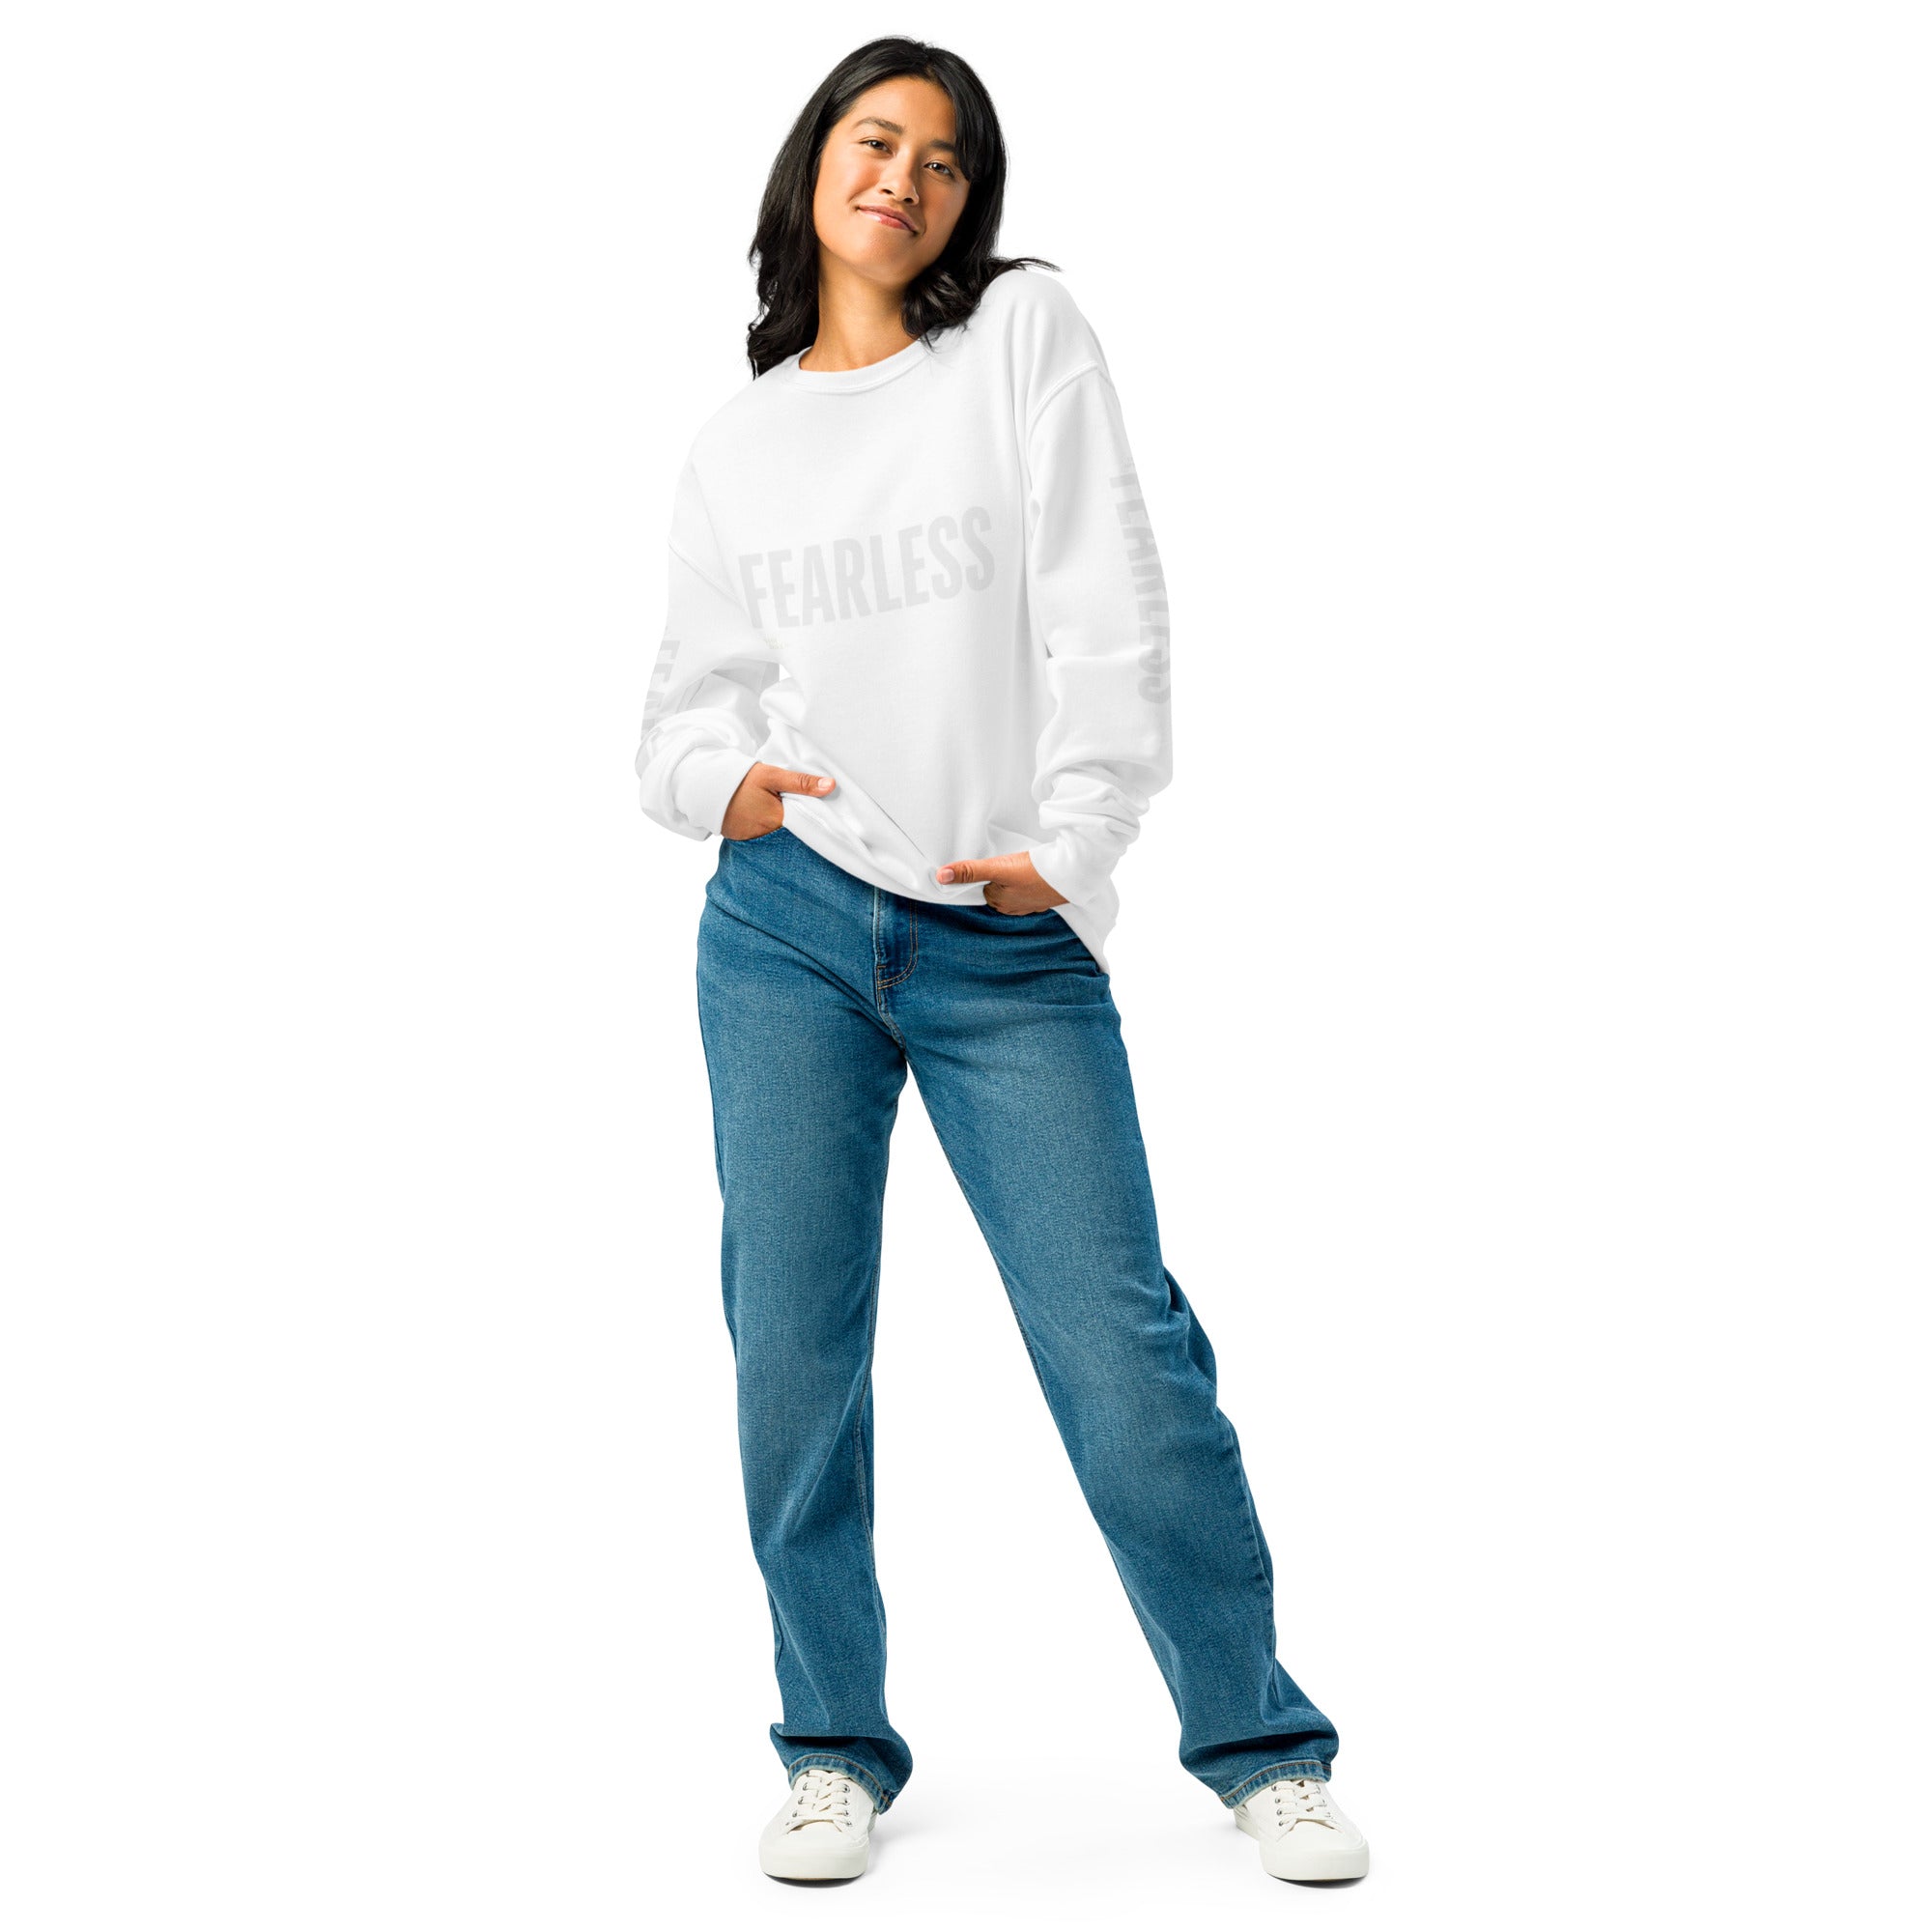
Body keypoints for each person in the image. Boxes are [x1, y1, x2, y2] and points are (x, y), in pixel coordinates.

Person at [634, 36, 1370, 1888]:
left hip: (1003, 938)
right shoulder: (738, 443)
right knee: (792, 1356)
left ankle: (1262, 1745)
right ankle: (831, 1748)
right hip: (786, 930)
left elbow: (1111, 599)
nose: (908, 176)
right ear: (814, 162)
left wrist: (1082, 838)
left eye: (948, 159)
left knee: (1121, 1355)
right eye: (877, 139)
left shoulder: (1023, 337)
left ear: (973, 201)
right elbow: (679, 717)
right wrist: (727, 789)